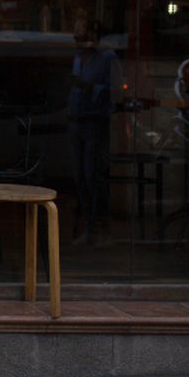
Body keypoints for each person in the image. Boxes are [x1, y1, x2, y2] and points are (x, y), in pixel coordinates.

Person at [67, 20, 119, 246]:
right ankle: (88, 226)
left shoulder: (107, 59)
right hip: (77, 119)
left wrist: (91, 88)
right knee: (79, 175)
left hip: (95, 121)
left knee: (92, 174)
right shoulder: (78, 59)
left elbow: (115, 89)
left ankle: (97, 227)